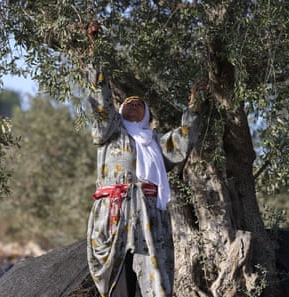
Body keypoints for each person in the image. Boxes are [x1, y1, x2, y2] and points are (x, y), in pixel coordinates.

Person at [85, 21, 206, 297]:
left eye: (139, 104)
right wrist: (95, 52)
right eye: (128, 104)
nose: (134, 106)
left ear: (147, 114)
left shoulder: (155, 142)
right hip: (115, 214)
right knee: (120, 278)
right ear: (120, 111)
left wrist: (193, 107)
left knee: (149, 280)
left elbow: (183, 141)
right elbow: (101, 100)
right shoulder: (110, 134)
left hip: (150, 217)